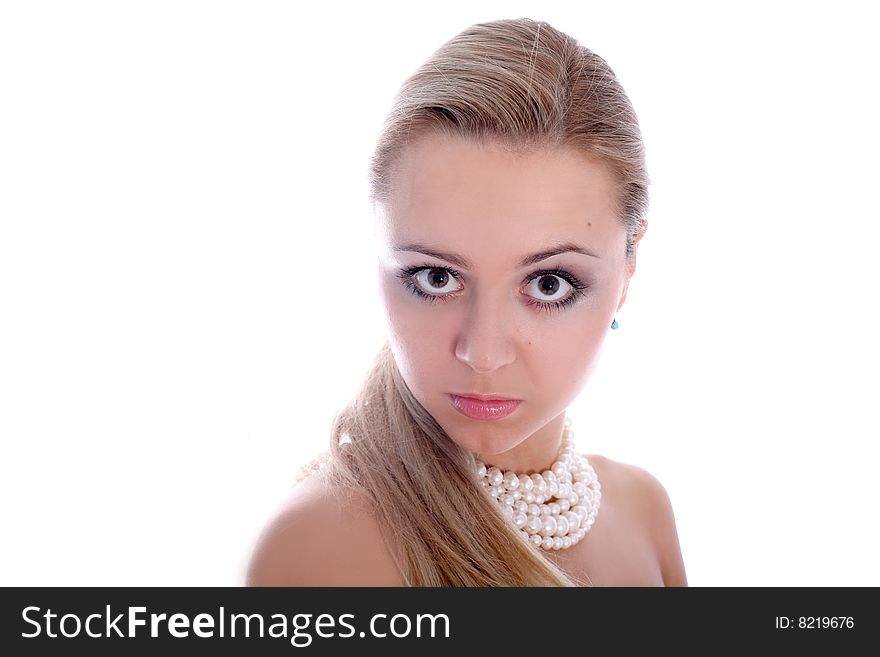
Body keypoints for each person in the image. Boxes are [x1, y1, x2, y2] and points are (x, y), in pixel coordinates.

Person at [246, 17, 687, 587]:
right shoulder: (321, 546)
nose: (482, 353)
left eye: (549, 284)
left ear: (627, 269)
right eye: (434, 277)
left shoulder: (645, 513)